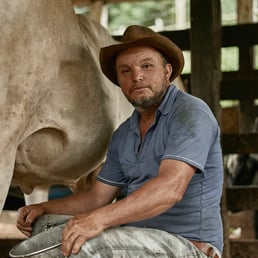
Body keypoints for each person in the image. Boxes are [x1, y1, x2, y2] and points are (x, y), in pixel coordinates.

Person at [16, 25, 223, 258]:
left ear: (167, 71)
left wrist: (99, 219)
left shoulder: (190, 113)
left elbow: (170, 189)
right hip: (137, 237)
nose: (136, 76)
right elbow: (97, 197)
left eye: (146, 66)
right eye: (125, 71)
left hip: (186, 245)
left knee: (82, 246)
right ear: (118, 81)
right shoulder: (125, 132)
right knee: (44, 227)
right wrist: (43, 208)